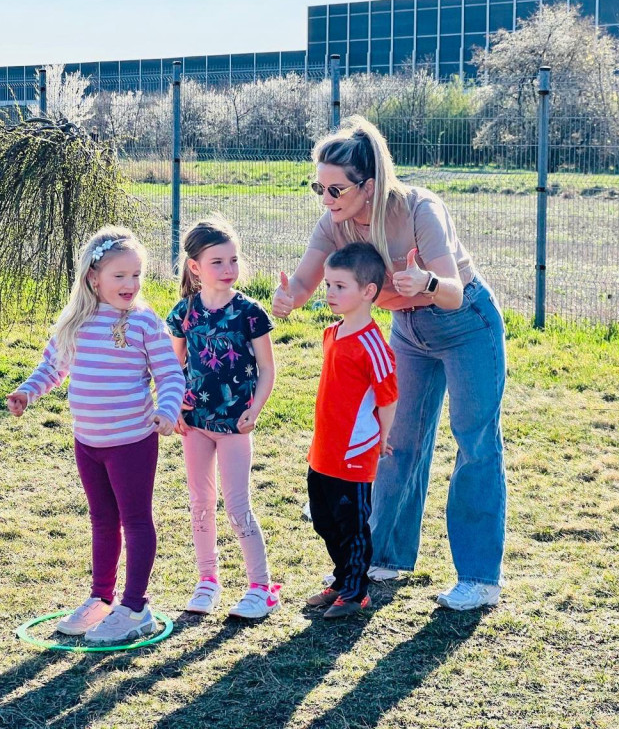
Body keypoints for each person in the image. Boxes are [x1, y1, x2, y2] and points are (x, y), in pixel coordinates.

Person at [272, 116, 507, 611]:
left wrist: (422, 282)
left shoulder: (420, 208)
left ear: (369, 185)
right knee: (397, 443)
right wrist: (287, 299)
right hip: (409, 333)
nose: (326, 197)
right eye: (319, 186)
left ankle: (479, 578)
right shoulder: (333, 223)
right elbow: (304, 282)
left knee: (475, 443)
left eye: (335, 188)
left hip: (466, 323)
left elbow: (452, 292)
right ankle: (388, 556)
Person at [6, 226, 184, 643]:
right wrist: (27, 393)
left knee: (136, 520)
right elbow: (52, 368)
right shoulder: (76, 323)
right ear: (93, 277)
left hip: (132, 442)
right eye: (120, 275)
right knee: (103, 521)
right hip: (88, 443)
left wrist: (166, 410)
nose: (131, 284)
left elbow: (170, 375)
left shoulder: (143, 323)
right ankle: (101, 598)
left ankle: (135, 607)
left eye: (136, 274)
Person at [166, 216, 281, 619]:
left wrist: (255, 408)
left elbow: (267, 368)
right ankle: (207, 581)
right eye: (217, 262)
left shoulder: (250, 313)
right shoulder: (184, 312)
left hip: (235, 425)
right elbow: (170, 365)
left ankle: (261, 588)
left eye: (233, 260)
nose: (228, 269)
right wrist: (174, 404)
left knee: (236, 505)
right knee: (200, 502)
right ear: (195, 267)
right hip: (194, 423)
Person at [305, 242, 398, 619]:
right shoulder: (332, 333)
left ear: (368, 292)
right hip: (323, 449)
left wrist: (383, 439)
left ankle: (357, 592)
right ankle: (343, 578)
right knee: (324, 521)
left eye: (340, 286)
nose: (330, 293)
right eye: (328, 285)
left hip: (354, 453)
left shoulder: (373, 344)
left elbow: (388, 397)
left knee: (353, 525)